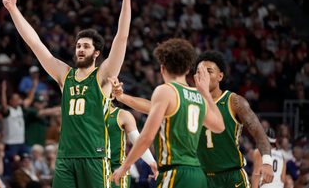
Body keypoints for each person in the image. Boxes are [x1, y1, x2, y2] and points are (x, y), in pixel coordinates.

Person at [2, 0, 131, 188]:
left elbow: (122, 38)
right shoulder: (64, 74)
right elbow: (36, 44)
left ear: (96, 53)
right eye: (78, 45)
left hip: (94, 156)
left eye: (86, 46)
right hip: (65, 157)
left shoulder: (104, 75)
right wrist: (13, 10)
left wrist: (126, 0)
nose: (80, 49)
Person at [110, 50, 274, 188]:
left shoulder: (234, 101)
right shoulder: (189, 98)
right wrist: (122, 97)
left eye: (209, 71)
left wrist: (266, 161)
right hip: (200, 176)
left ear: (220, 76)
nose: (204, 76)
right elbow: (150, 105)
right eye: (200, 72)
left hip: (231, 176)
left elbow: (259, 133)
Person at [112, 38, 225, 187]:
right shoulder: (198, 96)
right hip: (197, 175)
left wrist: (125, 166)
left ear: (162, 68)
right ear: (187, 70)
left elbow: (147, 136)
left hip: (175, 172)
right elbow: (219, 126)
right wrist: (206, 94)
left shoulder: (165, 90)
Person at [107, 103, 156, 188]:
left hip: (115, 169)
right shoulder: (87, 115)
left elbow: (138, 142)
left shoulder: (122, 115)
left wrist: (151, 162)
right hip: (93, 167)